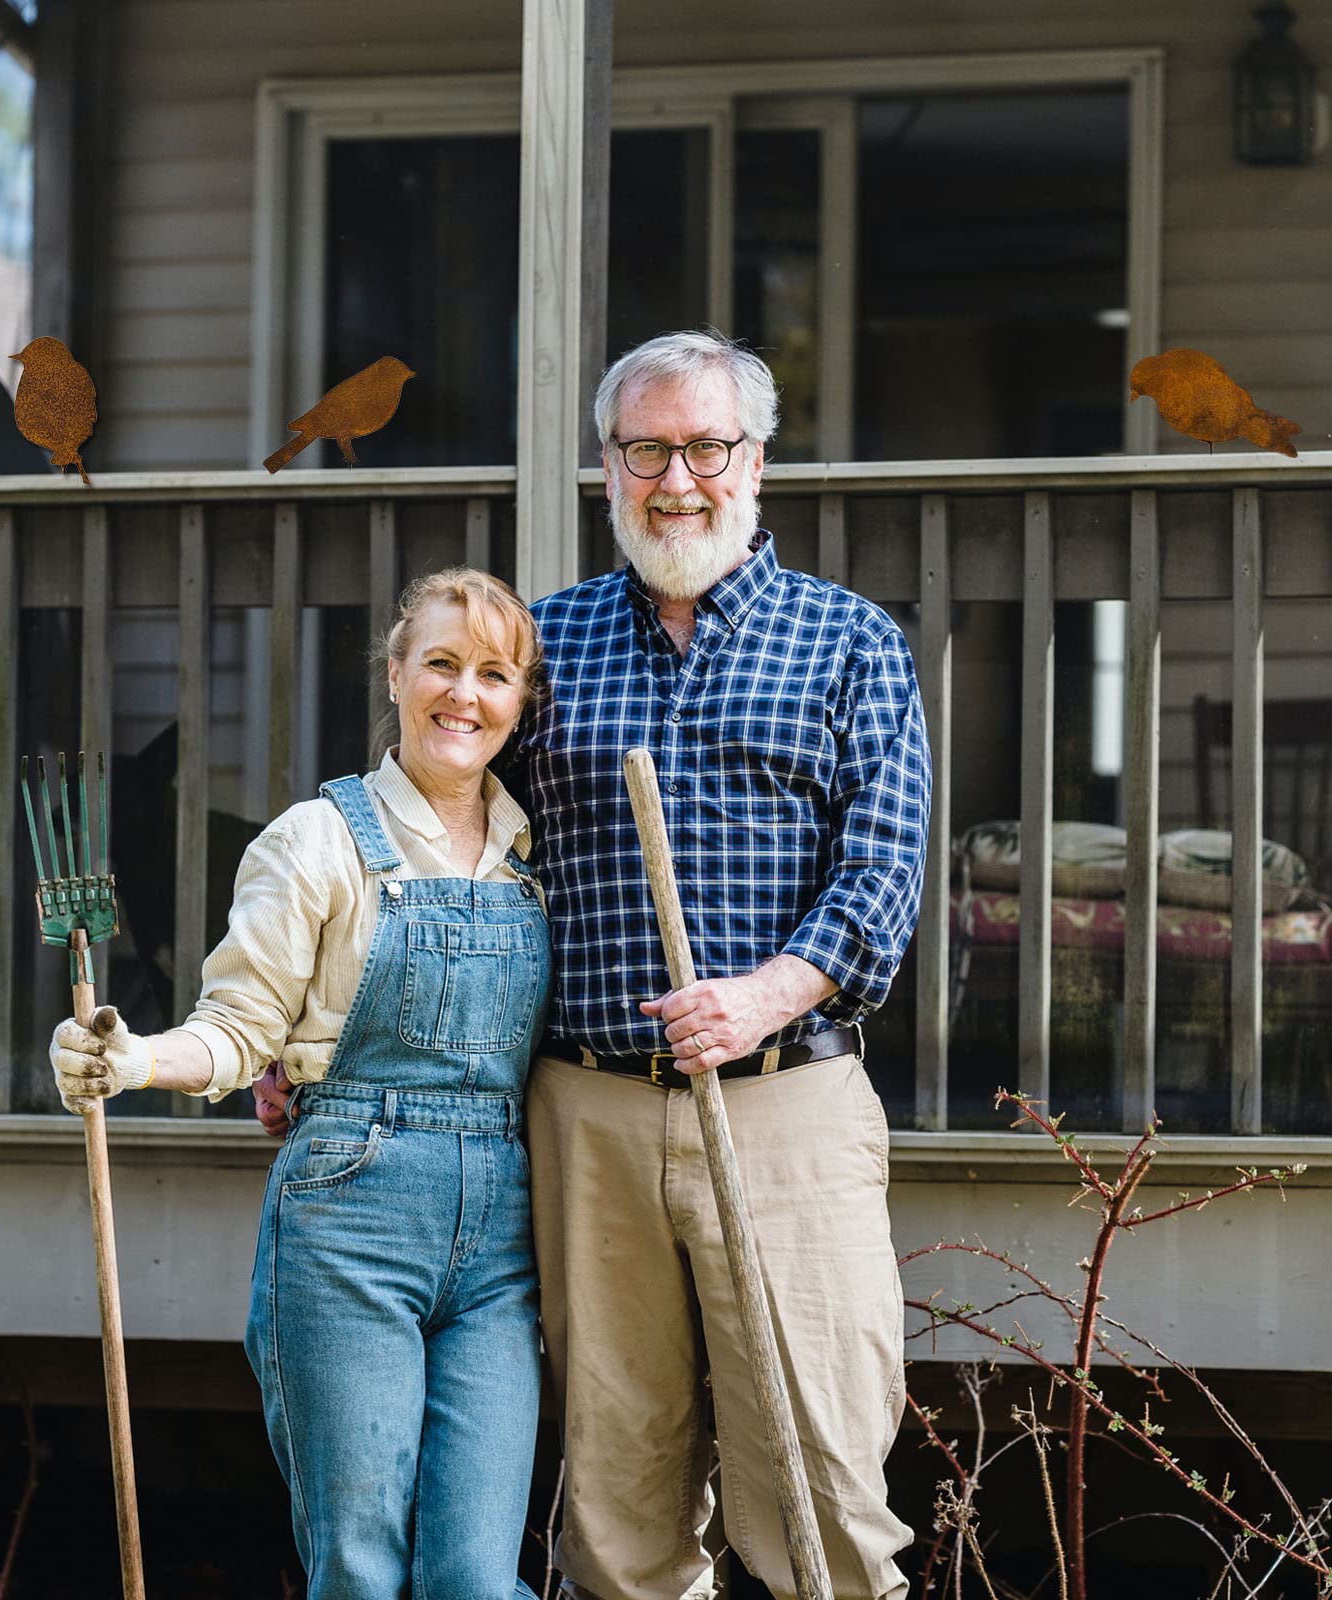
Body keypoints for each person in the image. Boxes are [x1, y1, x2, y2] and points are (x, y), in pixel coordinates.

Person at [512, 329, 930, 1600]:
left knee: (820, 1497)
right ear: (605, 467)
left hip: (785, 1101)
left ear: (756, 462)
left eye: (705, 446)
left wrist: (764, 992)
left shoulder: (848, 641)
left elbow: (885, 867)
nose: (676, 478)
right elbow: (447, 861)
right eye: (647, 449)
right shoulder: (542, 645)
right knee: (619, 1495)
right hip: (587, 1110)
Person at [50, 568, 551, 1600]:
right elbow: (237, 1028)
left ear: (521, 699)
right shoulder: (317, 842)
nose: (466, 693)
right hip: (347, 1216)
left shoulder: (536, 856)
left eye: (494, 673)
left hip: (505, 1236)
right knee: (360, 1568)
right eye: (442, 664)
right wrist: (133, 1058)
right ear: (396, 673)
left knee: (474, 1575)